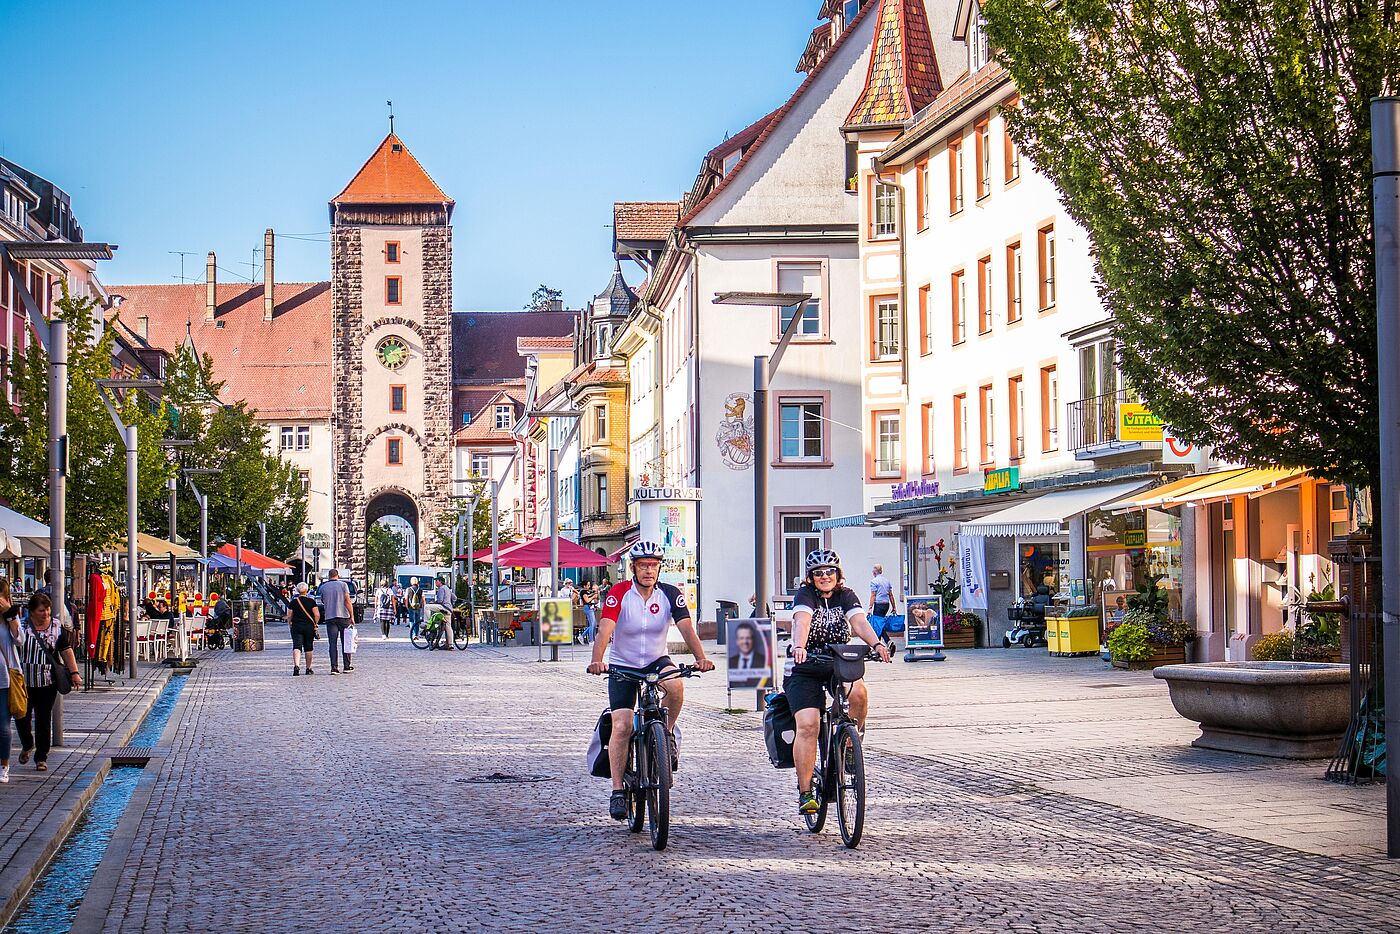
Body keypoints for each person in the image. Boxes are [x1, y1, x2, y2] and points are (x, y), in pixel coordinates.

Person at [586, 541, 714, 822]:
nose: (648, 570)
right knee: (620, 725)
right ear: (633, 567)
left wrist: (701, 658)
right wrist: (598, 660)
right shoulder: (619, 593)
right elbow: (605, 628)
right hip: (623, 664)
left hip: (656, 660)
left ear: (659, 569)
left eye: (653, 566)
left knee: (676, 685)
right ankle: (618, 790)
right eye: (643, 565)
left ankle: (665, 735)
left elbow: (686, 628)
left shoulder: (670, 594)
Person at [787, 549, 890, 816]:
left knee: (859, 693)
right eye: (818, 573)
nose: (825, 577)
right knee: (808, 725)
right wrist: (799, 646)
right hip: (805, 666)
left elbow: (859, 621)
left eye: (829, 572)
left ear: (838, 574)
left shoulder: (847, 595)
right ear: (811, 577)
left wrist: (876, 644)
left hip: (837, 661)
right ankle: (806, 791)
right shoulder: (805, 595)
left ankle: (848, 744)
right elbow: (802, 620)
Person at [10, 593, 83, 772]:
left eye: (48, 611)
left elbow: (66, 650)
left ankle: (41, 757)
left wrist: (74, 673)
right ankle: (27, 744)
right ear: (32, 611)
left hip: (47, 681)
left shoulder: (56, 627)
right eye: (42, 611)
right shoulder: (22, 626)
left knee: (43, 719)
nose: (46, 615)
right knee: (22, 716)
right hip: (23, 681)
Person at [0, 580, 20, 783]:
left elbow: (20, 639)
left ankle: (4, 765)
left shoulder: (10, 620)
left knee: (3, 726)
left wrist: (10, 614)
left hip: (4, 678)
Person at [317, 569, 353, 674]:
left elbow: (323, 601)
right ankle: (347, 666)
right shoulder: (343, 585)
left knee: (332, 643)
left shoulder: (323, 587)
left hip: (330, 617)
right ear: (338, 575)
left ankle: (334, 667)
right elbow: (347, 601)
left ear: (329, 576)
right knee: (346, 642)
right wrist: (352, 616)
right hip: (343, 617)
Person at [288, 581, 320, 676]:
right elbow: (317, 614)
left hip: (296, 626)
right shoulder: (311, 602)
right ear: (307, 590)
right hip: (309, 627)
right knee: (308, 647)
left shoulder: (293, 602)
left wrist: (290, 623)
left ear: (297, 590)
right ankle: (308, 668)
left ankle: (296, 666)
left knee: (297, 646)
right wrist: (315, 623)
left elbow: (289, 615)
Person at [427, 576, 453, 650]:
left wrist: (433, 603)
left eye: (436, 581)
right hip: (449, 609)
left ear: (440, 582)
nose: (435, 582)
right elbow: (455, 598)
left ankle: (427, 622)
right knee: (448, 627)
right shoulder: (447, 588)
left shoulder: (441, 589)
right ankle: (450, 644)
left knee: (427, 607)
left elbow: (440, 601)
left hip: (443, 607)